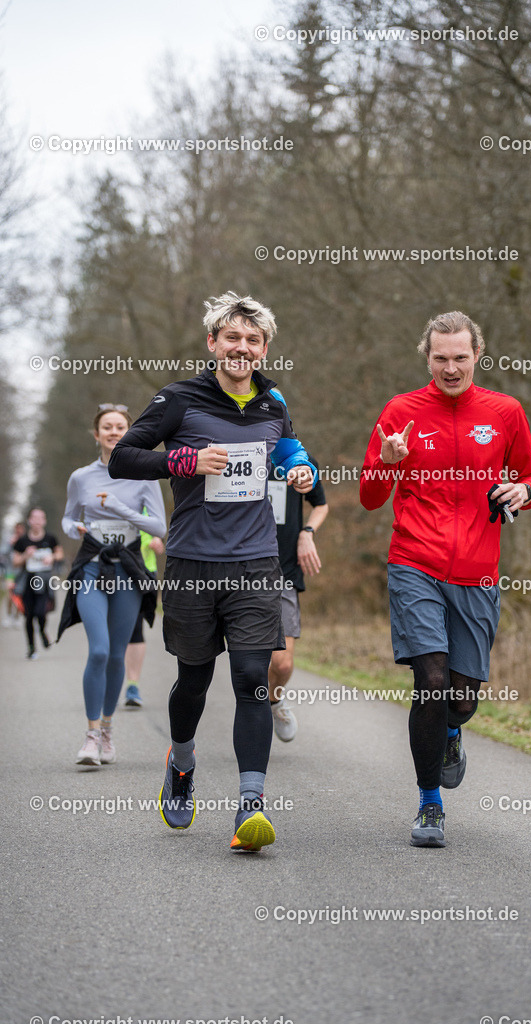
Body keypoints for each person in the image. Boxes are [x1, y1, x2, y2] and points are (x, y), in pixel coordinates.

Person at [108, 291, 317, 853]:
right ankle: (181, 763)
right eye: (232, 338)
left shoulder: (272, 402)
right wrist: (184, 460)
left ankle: (251, 806)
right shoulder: (179, 399)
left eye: (253, 340)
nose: (242, 348)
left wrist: (300, 471)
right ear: (213, 343)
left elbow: (289, 450)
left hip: (255, 563)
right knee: (194, 680)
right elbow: (123, 457)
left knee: (252, 678)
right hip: (193, 563)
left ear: (264, 348)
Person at [360, 309, 531, 848]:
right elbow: (369, 496)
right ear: (427, 357)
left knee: (460, 698)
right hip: (415, 562)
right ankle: (429, 803)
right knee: (431, 681)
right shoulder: (401, 412)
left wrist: (522, 492)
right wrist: (387, 461)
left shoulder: (505, 412)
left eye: (460, 357)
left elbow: (530, 477)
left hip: (478, 574)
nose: (451, 368)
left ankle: (453, 731)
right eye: (441, 358)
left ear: (477, 355)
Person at [59, 404, 166, 766]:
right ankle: (91, 736)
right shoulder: (81, 477)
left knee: (118, 654)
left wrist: (120, 508)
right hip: (92, 568)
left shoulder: (145, 477)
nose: (114, 432)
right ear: (97, 434)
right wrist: (75, 528)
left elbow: (159, 528)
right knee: (99, 650)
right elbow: (68, 518)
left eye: (120, 427)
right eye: (107, 427)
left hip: (128, 572)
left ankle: (107, 729)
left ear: (129, 433)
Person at [267, 456, 329, 740]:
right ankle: (252, 712)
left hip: (284, 572)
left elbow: (321, 504)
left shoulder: (298, 461)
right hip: (239, 572)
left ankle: (273, 700)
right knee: (249, 662)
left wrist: (307, 532)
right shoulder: (236, 452)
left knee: (282, 663)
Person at [123, 527, 165, 708]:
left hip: (143, 573)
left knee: (135, 629)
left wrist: (158, 541)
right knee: (113, 630)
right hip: (115, 572)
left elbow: (160, 533)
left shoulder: (148, 511)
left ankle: (132, 686)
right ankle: (108, 682)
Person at [12, 509, 63, 658]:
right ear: (29, 520)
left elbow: (60, 554)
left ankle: (42, 631)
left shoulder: (50, 538)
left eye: (40, 518)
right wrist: (25, 555)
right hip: (27, 582)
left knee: (40, 612)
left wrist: (52, 557)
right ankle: (31, 647)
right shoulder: (22, 541)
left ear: (44, 521)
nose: (37, 521)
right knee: (29, 616)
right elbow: (15, 561)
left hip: (44, 582)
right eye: (34, 518)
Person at [3, 522, 26, 628]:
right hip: (10, 571)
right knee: (10, 594)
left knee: (19, 595)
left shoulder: (26, 541)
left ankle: (17, 617)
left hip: (22, 571)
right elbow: (3, 553)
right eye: (17, 529)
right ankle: (9, 616)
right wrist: (10, 544)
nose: (19, 531)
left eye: (21, 529)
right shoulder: (10, 540)